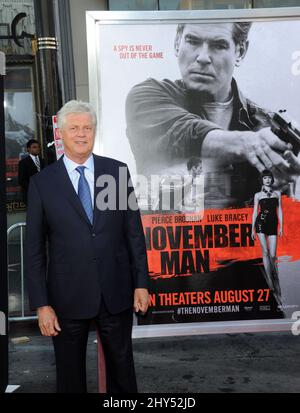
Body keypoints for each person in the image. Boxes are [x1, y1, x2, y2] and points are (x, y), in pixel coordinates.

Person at [25, 100, 149, 393]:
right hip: (65, 299)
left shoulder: (116, 172)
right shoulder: (43, 183)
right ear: (62, 134)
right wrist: (42, 305)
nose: (81, 134)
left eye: (87, 128)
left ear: (94, 131)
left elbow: (133, 233)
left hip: (116, 293)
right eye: (74, 128)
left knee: (123, 374)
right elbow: (33, 250)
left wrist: (141, 284)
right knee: (70, 379)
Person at [126, 22, 300, 208]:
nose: (202, 57)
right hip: (171, 236)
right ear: (177, 42)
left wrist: (282, 190)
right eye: (192, 41)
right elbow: (184, 132)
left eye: (218, 45)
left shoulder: (265, 127)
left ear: (240, 52)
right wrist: (250, 144)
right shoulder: (145, 97)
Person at [251, 170, 283, 306]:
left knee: (272, 255)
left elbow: (279, 210)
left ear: (272, 179)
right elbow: (254, 212)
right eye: (265, 178)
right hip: (260, 224)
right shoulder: (258, 195)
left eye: (269, 177)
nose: (268, 180)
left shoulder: (277, 194)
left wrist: (281, 226)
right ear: (262, 180)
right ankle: (270, 283)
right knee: (264, 252)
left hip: (273, 224)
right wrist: (252, 228)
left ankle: (275, 279)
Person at [18, 139, 44, 204]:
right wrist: (33, 188)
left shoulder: (43, 161)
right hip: (30, 195)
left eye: (38, 147)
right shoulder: (23, 163)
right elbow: (21, 180)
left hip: (43, 195)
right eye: (34, 147)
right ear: (28, 149)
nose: (37, 149)